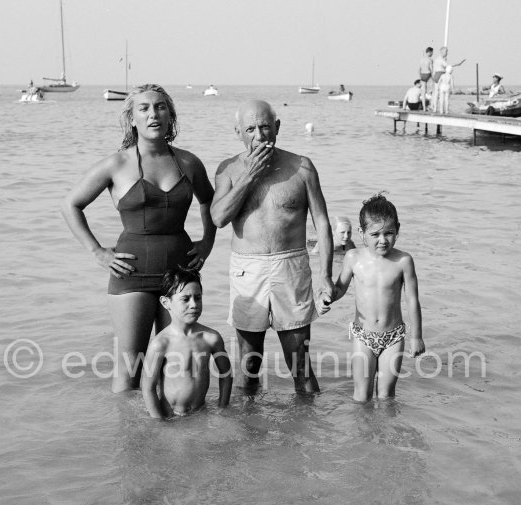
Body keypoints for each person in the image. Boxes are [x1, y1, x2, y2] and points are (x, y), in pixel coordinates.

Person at [61, 84, 217, 393]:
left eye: (160, 107)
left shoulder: (188, 162)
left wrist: (207, 243)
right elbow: (70, 205)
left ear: (170, 116)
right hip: (131, 274)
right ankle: (129, 441)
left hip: (180, 275)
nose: (152, 114)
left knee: (175, 365)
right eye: (143, 108)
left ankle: (173, 436)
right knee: (130, 371)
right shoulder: (116, 164)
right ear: (132, 119)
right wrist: (96, 251)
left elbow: (209, 203)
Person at [210, 99, 334, 393]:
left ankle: (310, 434)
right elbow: (218, 217)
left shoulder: (301, 167)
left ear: (276, 128)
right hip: (247, 269)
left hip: (290, 266)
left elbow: (323, 223)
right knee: (248, 366)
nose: (258, 135)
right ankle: (246, 433)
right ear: (238, 132)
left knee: (300, 366)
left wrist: (325, 275)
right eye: (250, 128)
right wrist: (250, 174)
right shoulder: (227, 170)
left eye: (265, 126)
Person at [318, 194, 425, 403]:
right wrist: (327, 298)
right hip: (363, 335)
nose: (383, 240)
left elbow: (413, 300)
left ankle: (385, 434)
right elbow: (339, 288)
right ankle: (363, 435)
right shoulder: (353, 258)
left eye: (389, 233)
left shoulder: (403, 261)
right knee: (361, 395)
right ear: (362, 233)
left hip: (393, 336)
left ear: (398, 230)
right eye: (375, 234)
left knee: (386, 396)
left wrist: (416, 336)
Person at [141, 267, 232, 418]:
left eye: (198, 297)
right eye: (185, 299)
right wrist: (159, 423)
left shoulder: (211, 338)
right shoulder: (161, 343)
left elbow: (226, 375)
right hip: (171, 415)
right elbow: (148, 388)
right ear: (166, 302)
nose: (194, 305)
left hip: (200, 412)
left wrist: (223, 408)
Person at [432, 47, 465, 111]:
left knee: (436, 93)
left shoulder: (436, 59)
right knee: (443, 95)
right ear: (442, 52)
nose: (447, 53)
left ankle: (435, 108)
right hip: (440, 74)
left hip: (436, 75)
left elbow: (434, 69)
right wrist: (458, 64)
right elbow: (448, 66)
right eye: (446, 51)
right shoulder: (441, 59)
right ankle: (444, 109)